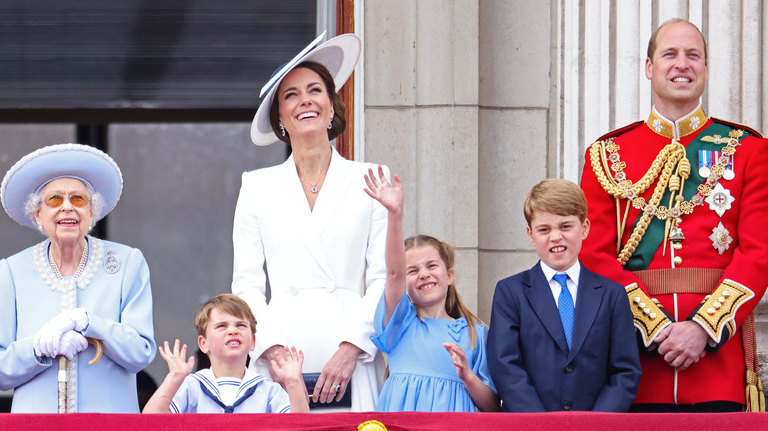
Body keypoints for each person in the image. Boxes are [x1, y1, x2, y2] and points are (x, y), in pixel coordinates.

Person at [579, 18, 768, 412]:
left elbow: (758, 254)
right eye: (670, 54)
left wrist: (703, 328)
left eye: (693, 55)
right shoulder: (606, 154)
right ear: (650, 68)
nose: (682, 64)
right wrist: (657, 327)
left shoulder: (747, 149)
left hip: (717, 364)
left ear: (705, 68)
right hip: (634, 364)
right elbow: (592, 255)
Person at [232, 33, 388, 411]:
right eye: (290, 95)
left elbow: (383, 277)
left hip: (353, 352)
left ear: (331, 106)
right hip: (283, 354)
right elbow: (247, 282)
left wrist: (354, 347)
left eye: (314, 90)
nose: (304, 100)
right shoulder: (256, 186)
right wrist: (272, 349)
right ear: (280, 119)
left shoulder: (373, 178)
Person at [0, 143, 156, 413]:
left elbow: (141, 352)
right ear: (37, 214)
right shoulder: (13, 270)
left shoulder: (127, 263)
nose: (67, 207)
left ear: (92, 213)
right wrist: (37, 347)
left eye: (78, 199)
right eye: (55, 199)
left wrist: (91, 323)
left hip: (110, 424)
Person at [487, 179, 641, 412]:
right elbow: (505, 366)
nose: (555, 236)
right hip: (531, 427)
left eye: (565, 226)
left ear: (585, 228)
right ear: (530, 235)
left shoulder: (612, 295)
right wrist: (541, 426)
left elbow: (625, 371)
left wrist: (595, 425)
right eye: (544, 229)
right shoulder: (510, 292)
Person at [364, 168, 499, 412]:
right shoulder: (401, 324)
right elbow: (394, 273)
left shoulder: (475, 333)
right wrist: (395, 214)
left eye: (431, 265)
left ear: (449, 276)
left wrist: (467, 376)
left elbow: (492, 407)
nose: (424, 273)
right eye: (412, 270)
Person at [142, 294, 309, 414]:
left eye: (241, 325)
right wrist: (175, 376)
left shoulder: (267, 390)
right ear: (203, 343)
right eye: (221, 326)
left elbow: (301, 427)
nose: (232, 331)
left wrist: (293, 383)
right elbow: (150, 420)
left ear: (253, 342)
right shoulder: (192, 386)